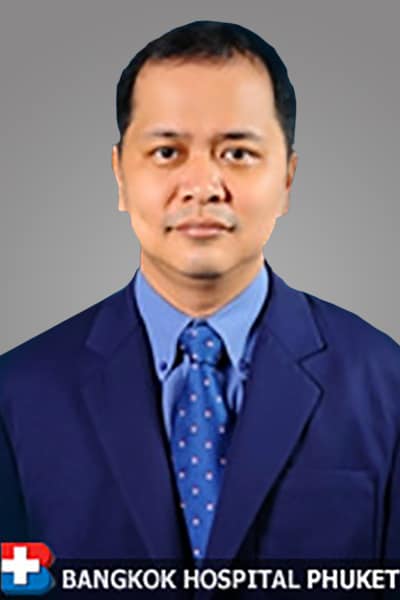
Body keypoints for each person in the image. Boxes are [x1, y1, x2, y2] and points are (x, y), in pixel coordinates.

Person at [0, 20, 399, 567]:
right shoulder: (18, 394)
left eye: (237, 153)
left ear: (287, 179)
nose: (203, 186)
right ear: (120, 175)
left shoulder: (385, 384)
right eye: (167, 152)